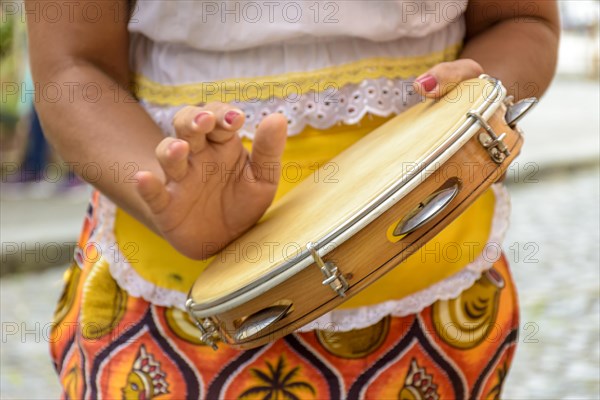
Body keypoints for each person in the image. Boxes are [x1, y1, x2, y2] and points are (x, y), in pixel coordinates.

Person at [27, 1, 559, 398]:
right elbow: (73, 65)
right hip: (170, 284)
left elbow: (521, 20)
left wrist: (477, 104)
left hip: (430, 273)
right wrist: (167, 190)